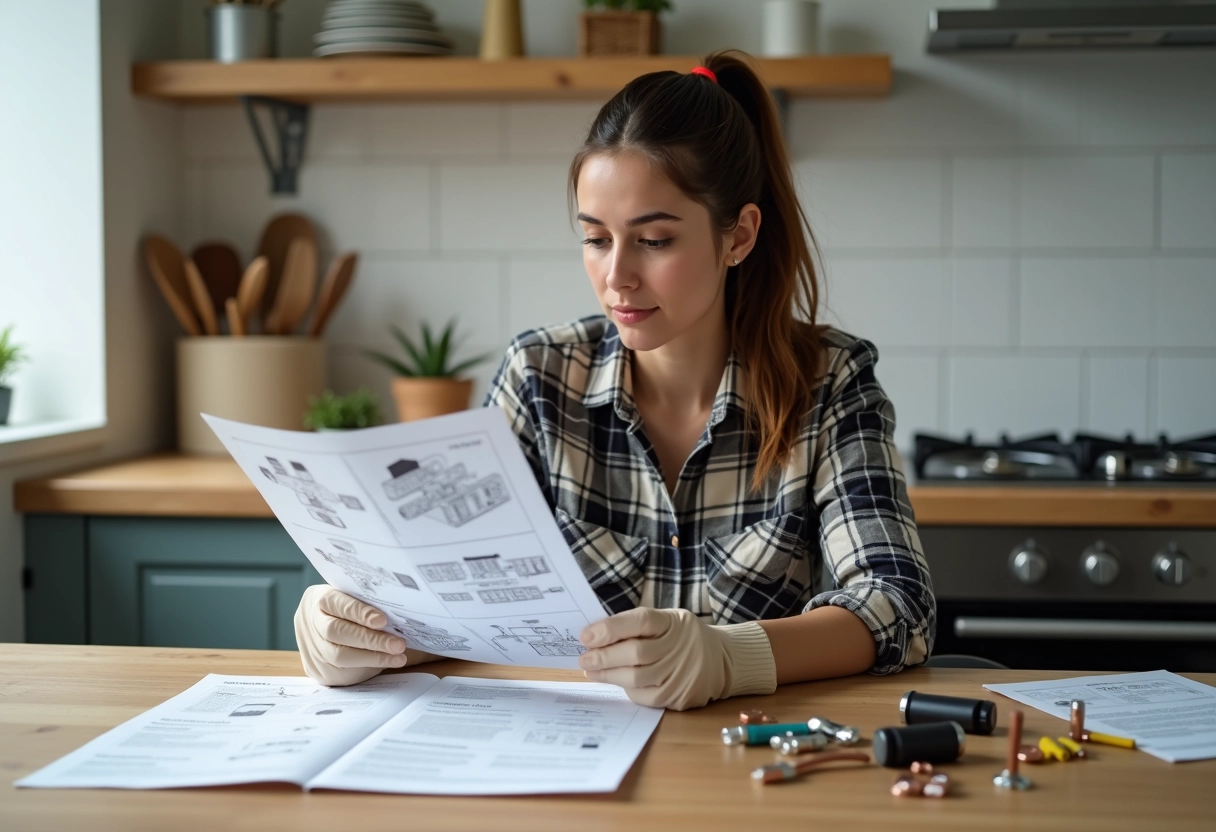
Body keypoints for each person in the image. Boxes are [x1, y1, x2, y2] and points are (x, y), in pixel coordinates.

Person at [295, 51, 935, 710]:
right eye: (596, 239)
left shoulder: (830, 382)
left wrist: (731, 657)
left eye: (654, 241)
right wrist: (360, 632)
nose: (618, 277)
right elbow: (464, 604)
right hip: (572, 775)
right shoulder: (539, 380)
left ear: (738, 236)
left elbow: (897, 606)